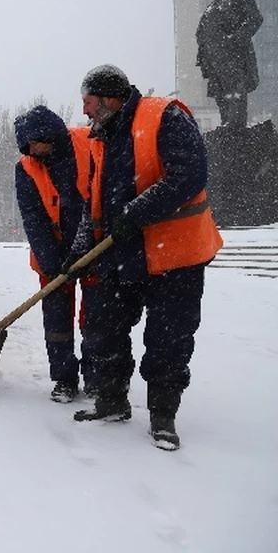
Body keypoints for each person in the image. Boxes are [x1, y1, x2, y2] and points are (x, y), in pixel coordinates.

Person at [64, 64, 223, 451]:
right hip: (122, 255)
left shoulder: (164, 116)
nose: (84, 112)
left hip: (174, 255)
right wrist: (78, 252)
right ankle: (112, 401)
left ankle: (163, 416)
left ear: (109, 99)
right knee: (104, 329)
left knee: (168, 338)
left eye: (88, 103)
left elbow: (190, 174)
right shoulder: (100, 137)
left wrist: (136, 213)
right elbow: (93, 202)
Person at [14, 105, 98, 403]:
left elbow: (99, 196)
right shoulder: (26, 167)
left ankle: (95, 377)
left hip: (94, 247)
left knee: (95, 318)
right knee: (56, 321)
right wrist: (52, 262)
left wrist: (82, 247)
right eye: (27, 147)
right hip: (51, 248)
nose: (32, 150)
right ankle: (63, 378)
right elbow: (33, 217)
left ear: (49, 133)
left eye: (35, 142)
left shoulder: (90, 143)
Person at [196, 0, 263, 130]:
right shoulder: (210, 8)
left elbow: (255, 18)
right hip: (214, 59)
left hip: (233, 56)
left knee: (235, 89)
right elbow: (202, 33)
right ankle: (226, 121)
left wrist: (236, 38)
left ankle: (236, 124)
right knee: (220, 93)